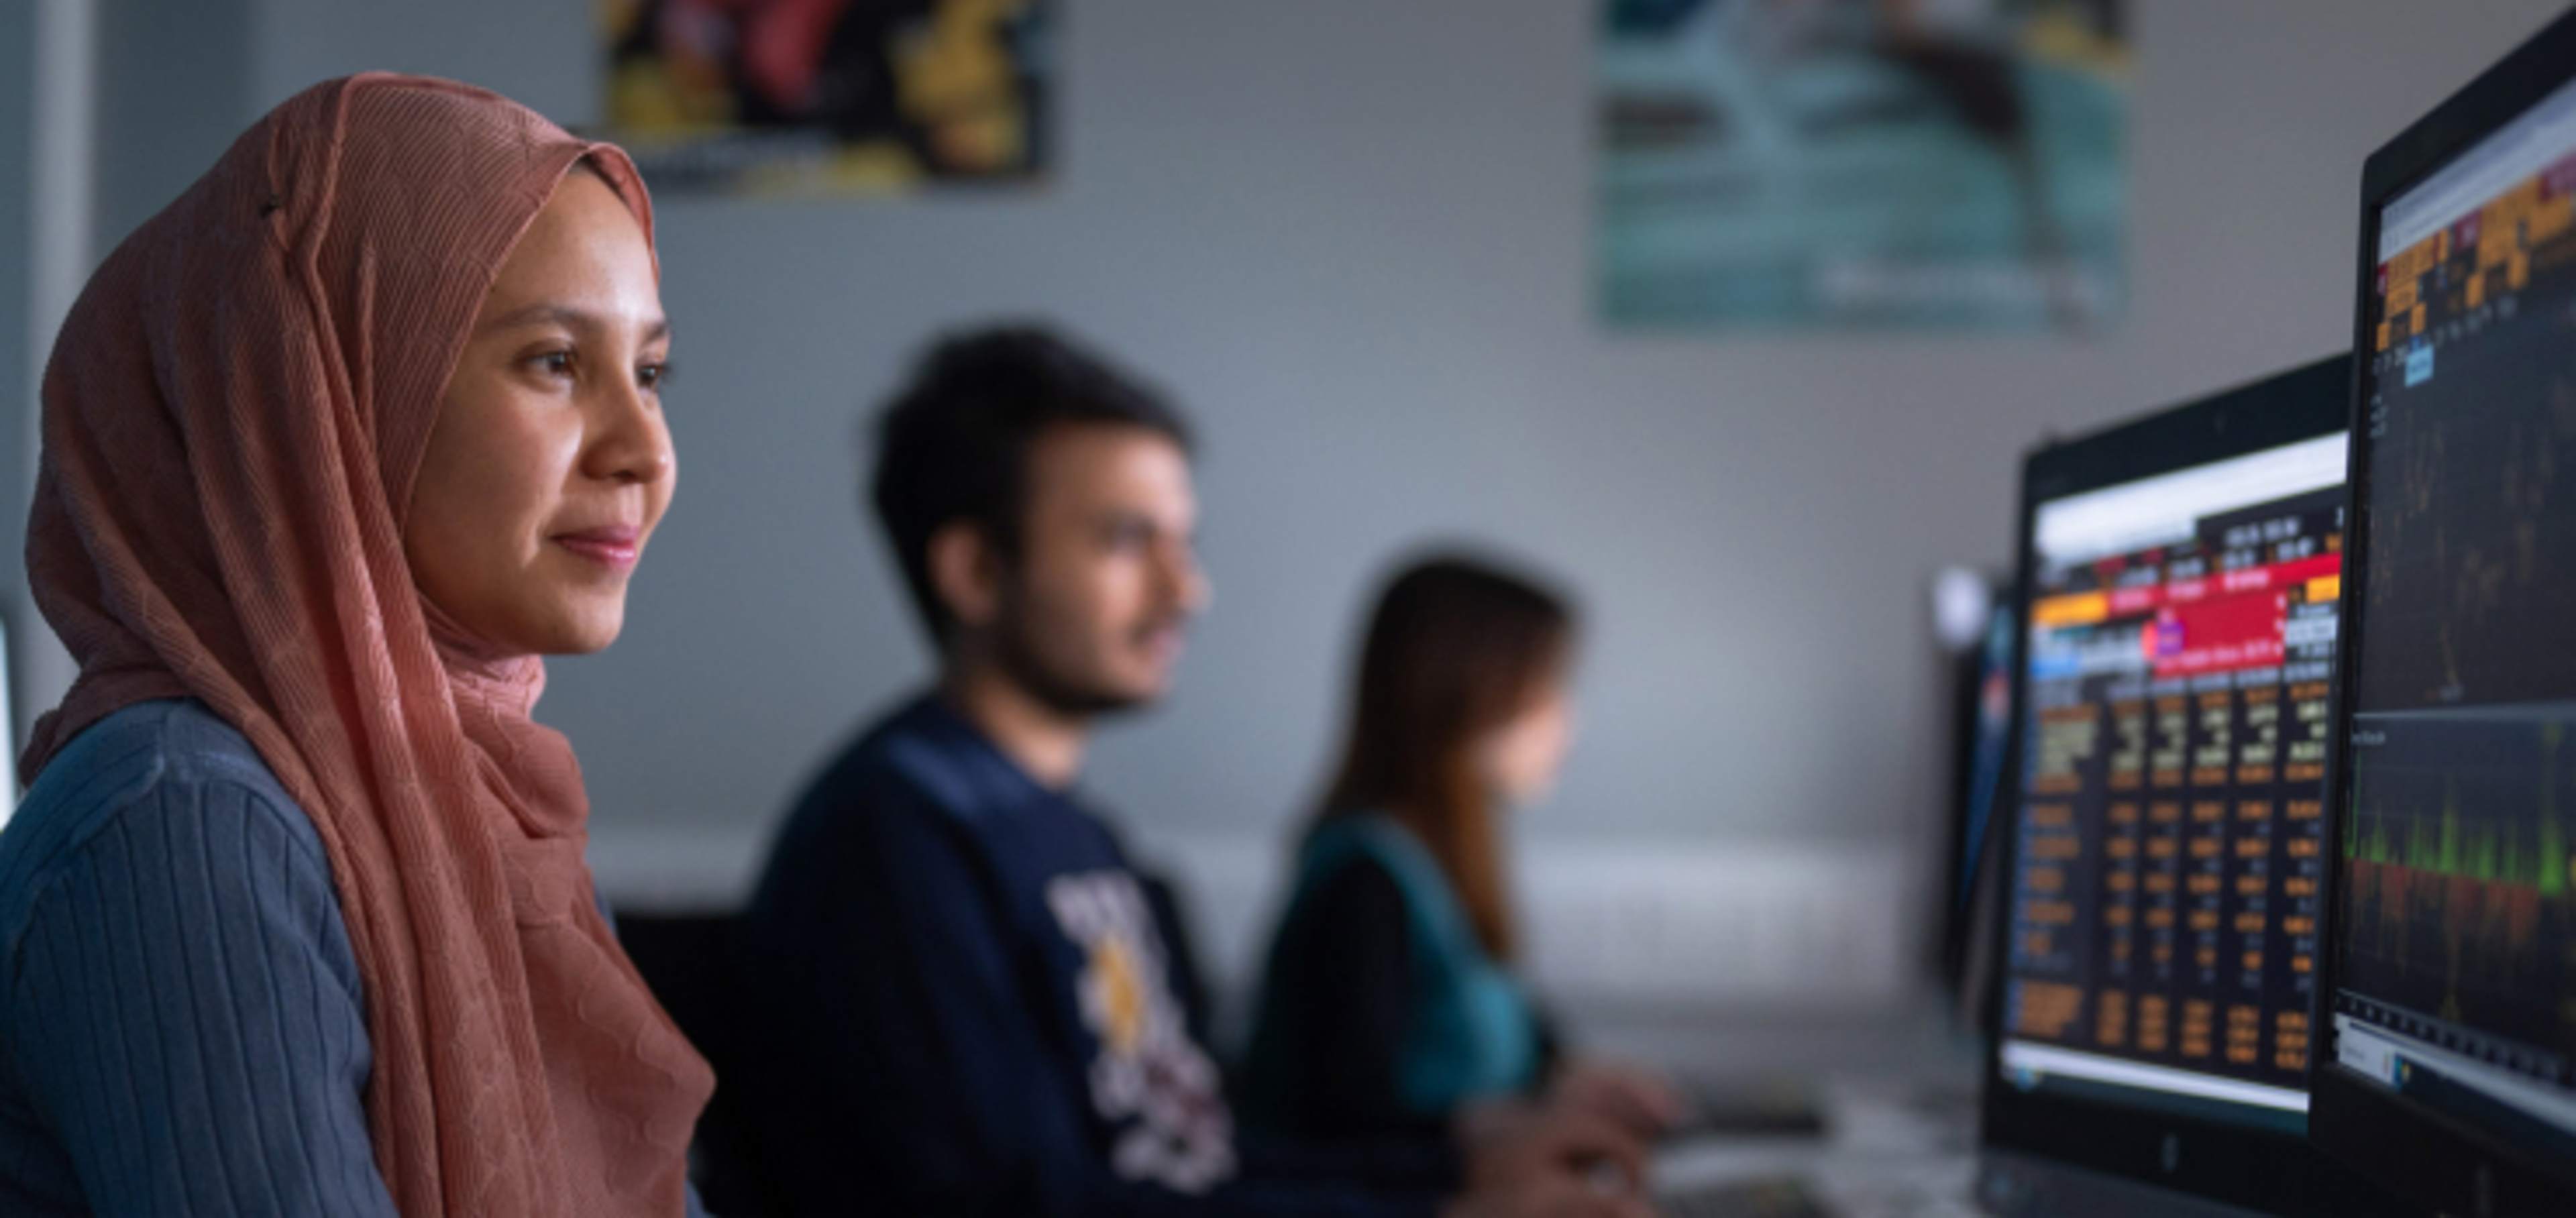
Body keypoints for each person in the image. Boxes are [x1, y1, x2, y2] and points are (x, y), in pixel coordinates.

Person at [727, 326, 1652, 1217]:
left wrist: (1463, 1168)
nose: (1187, 590)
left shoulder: (1078, 838)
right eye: (1128, 542)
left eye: (1185, 543)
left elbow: (1203, 1163)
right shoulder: (896, 844)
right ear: (974, 571)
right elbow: (1018, 1207)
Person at [0, 75, 710, 1216]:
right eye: (554, 362)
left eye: (650, 372)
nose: (643, 451)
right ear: (320, 396)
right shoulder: (186, 819)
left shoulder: (475, 799)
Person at [1240, 557, 1683, 1152]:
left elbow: (1512, 1035)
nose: (1567, 723)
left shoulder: (1441, 864)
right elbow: (1346, 1124)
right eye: (1547, 688)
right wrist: (1516, 1128)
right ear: (1466, 690)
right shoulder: (1363, 881)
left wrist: (1572, 1078)